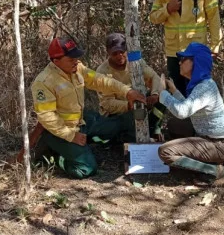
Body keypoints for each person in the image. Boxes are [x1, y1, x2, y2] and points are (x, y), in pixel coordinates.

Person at [30, 36, 146, 179]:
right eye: (71, 59)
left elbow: (99, 80)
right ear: (56, 61)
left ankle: (82, 145)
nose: (76, 62)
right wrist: (72, 136)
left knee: (121, 123)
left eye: (76, 58)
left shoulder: (78, 68)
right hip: (60, 131)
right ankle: (53, 156)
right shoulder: (44, 82)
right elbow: (47, 117)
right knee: (86, 169)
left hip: (82, 120)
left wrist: (126, 91)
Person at [157, 42, 224, 180]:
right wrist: (173, 90)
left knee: (165, 152)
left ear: (196, 62)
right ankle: (204, 158)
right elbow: (188, 108)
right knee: (174, 124)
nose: (180, 63)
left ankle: (212, 169)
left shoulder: (204, 87)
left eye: (184, 59)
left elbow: (182, 112)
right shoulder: (202, 84)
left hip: (219, 145)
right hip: (213, 139)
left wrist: (162, 93)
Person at [148, 0, 222, 92]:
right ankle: (181, 115)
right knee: (178, 90)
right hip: (173, 51)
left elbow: (214, 17)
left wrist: (215, 45)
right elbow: (153, 17)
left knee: (198, 90)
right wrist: (167, 9)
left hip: (196, 49)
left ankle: (199, 116)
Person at [95, 33, 165, 141]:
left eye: (122, 52)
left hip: (138, 104)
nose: (119, 56)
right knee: (132, 124)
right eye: (115, 53)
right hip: (117, 113)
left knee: (164, 93)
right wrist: (129, 105)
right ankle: (127, 136)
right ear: (108, 52)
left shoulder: (135, 62)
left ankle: (154, 127)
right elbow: (107, 104)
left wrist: (154, 94)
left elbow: (154, 77)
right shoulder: (102, 71)